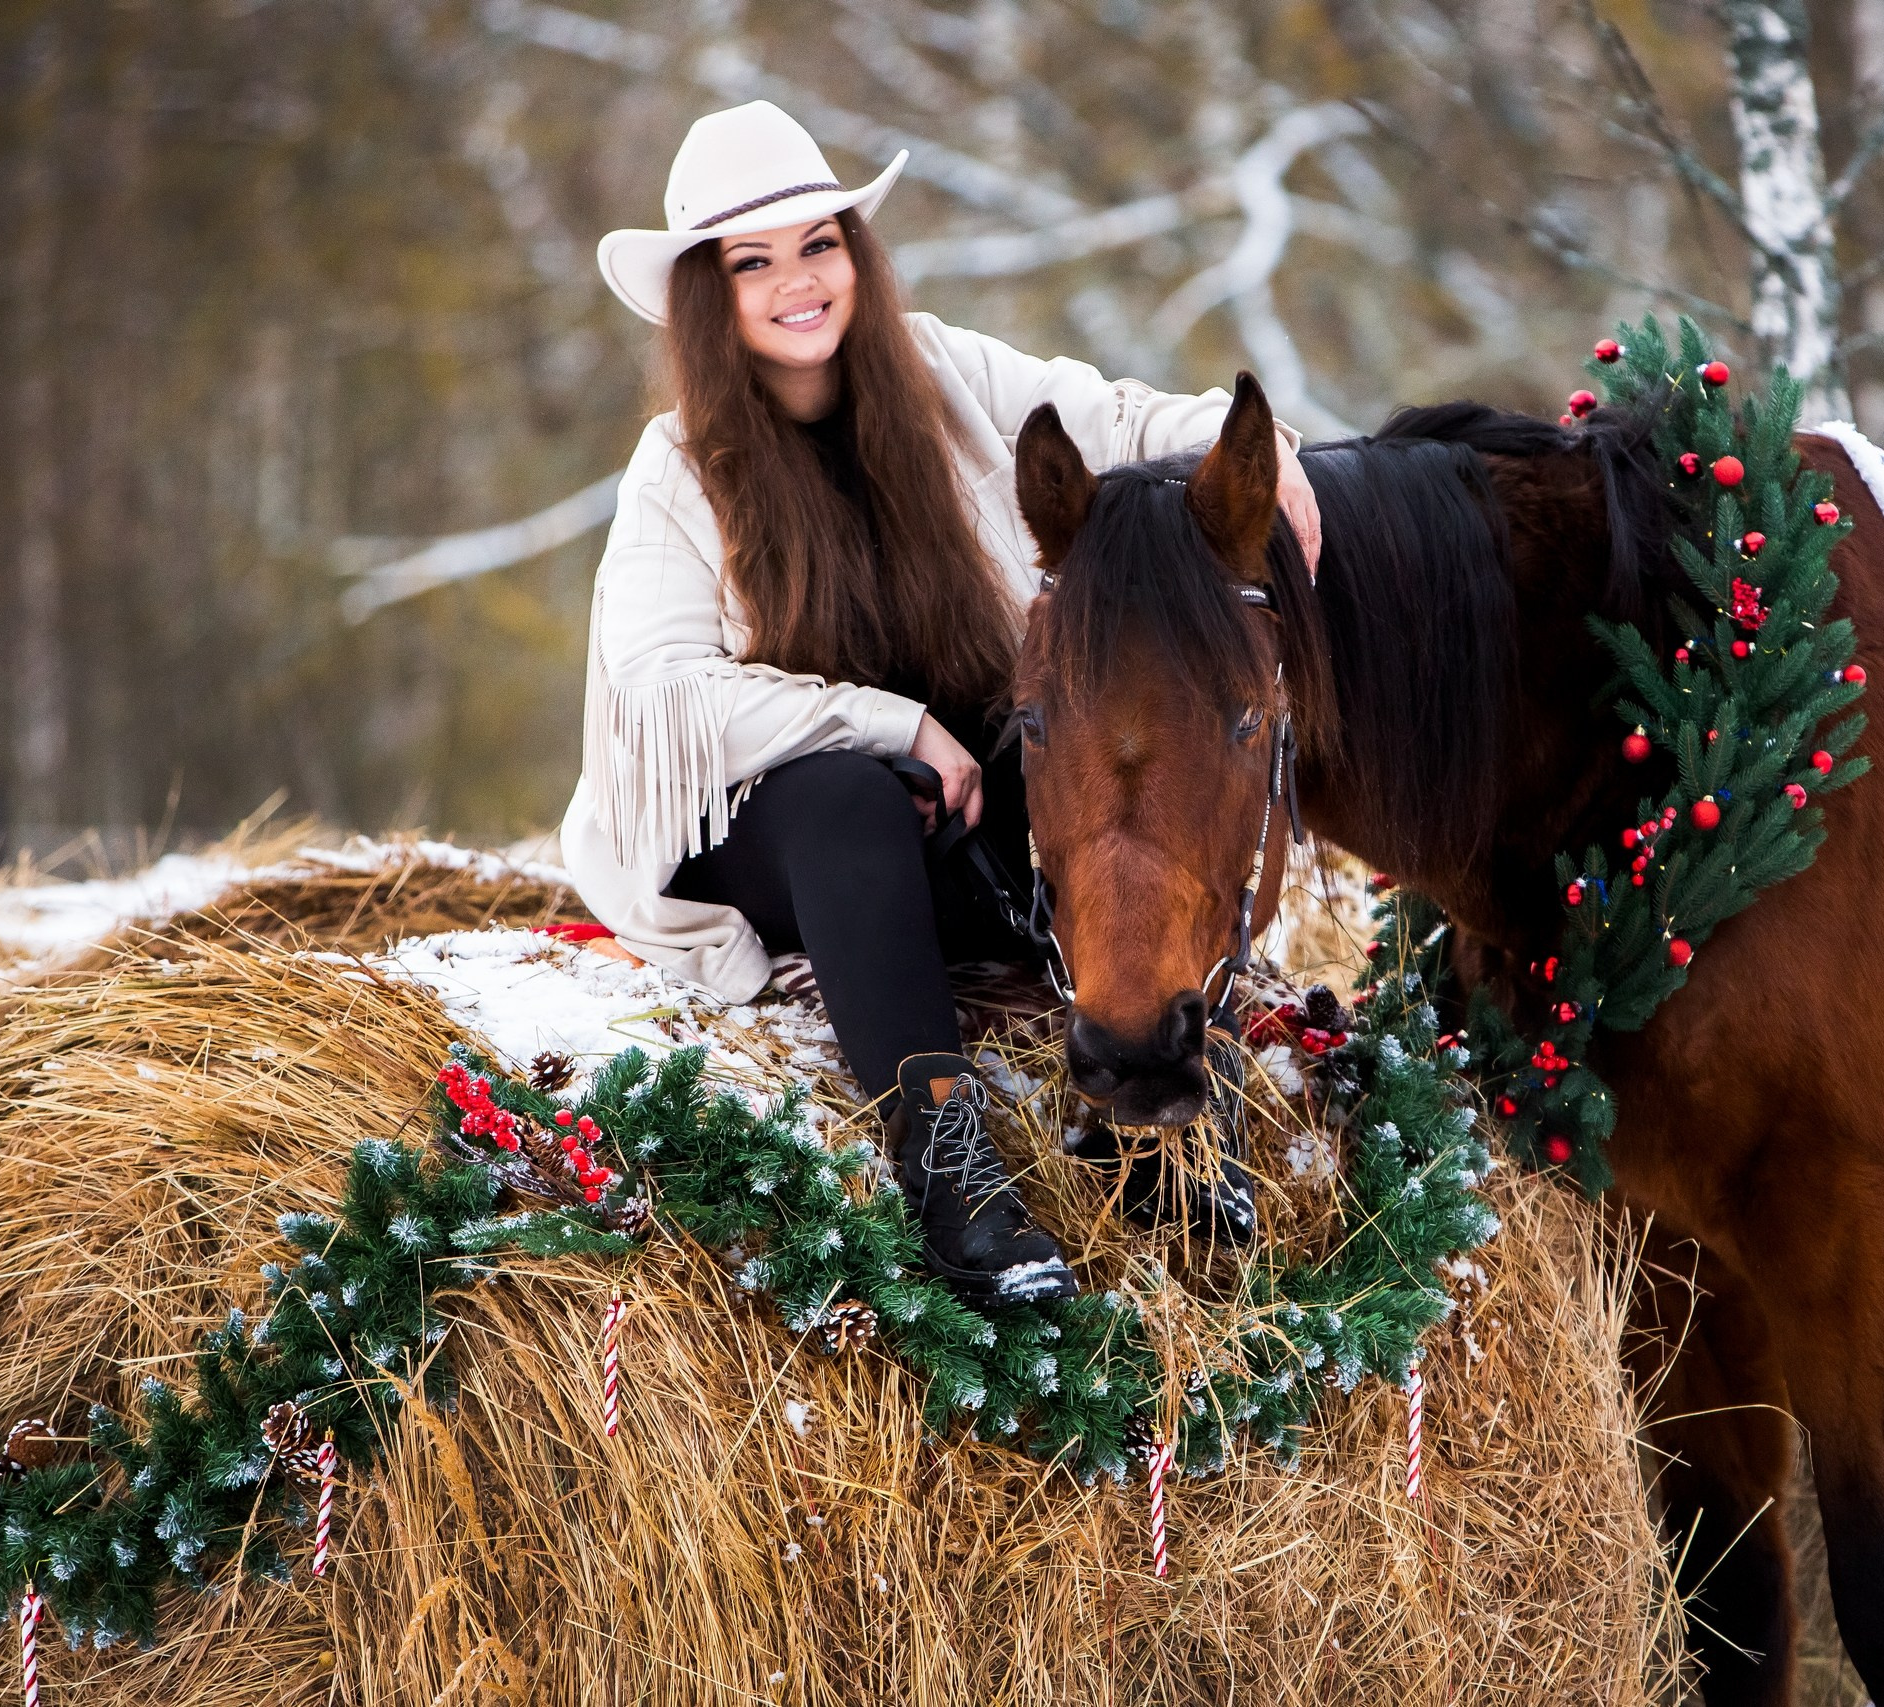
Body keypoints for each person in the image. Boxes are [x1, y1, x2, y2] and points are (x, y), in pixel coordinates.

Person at [564, 101, 1322, 1308]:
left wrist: (1266, 455)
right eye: (753, 263)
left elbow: (1123, 422)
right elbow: (661, 699)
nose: (797, 281)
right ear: (712, 297)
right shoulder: (679, 467)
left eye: (817, 245)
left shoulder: (944, 374)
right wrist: (886, 722)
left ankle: (1160, 1076)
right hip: (773, 836)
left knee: (1088, 733)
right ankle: (949, 1166)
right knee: (848, 803)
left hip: (951, 814)